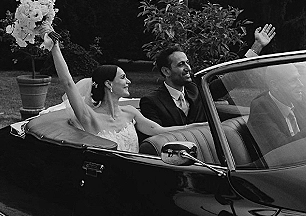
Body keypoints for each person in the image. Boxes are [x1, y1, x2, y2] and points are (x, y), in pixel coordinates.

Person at [43, 34, 207, 153]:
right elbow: (68, 83)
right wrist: (55, 47)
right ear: (108, 84)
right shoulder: (89, 117)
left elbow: (160, 131)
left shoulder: (131, 112)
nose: (129, 81)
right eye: (123, 77)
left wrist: (201, 126)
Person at [139, 24, 276, 128]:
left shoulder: (196, 89)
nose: (188, 68)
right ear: (166, 71)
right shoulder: (151, 102)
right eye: (181, 64)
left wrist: (257, 46)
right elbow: (156, 138)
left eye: (187, 63)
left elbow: (231, 79)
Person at [246, 63, 306, 154]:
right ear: (274, 85)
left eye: (299, 78)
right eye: (293, 80)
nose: (301, 84)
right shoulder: (261, 108)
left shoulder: (298, 100)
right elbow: (282, 150)